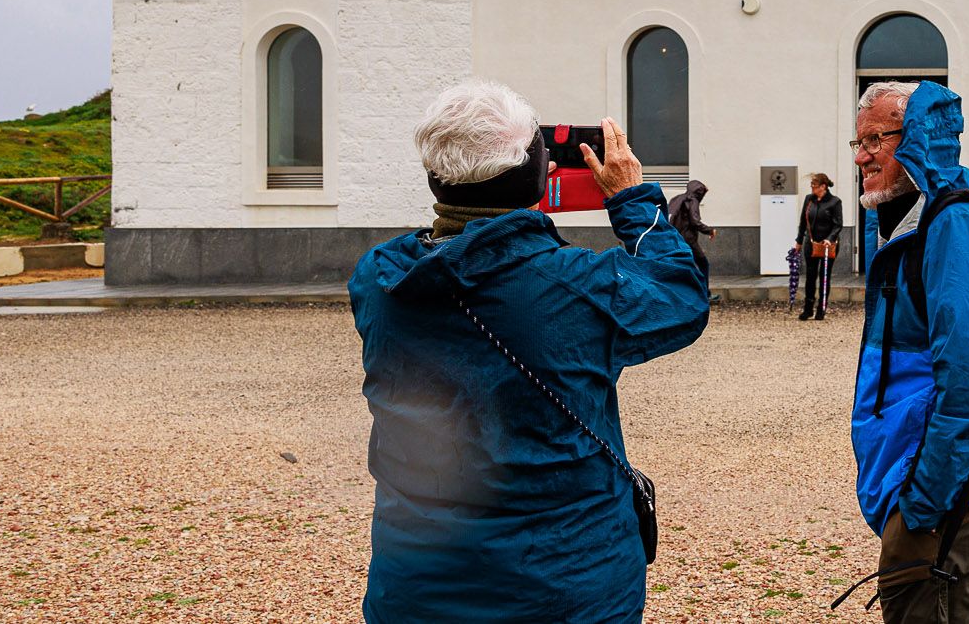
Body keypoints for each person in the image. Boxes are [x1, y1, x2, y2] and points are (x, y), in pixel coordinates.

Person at [350, 80, 709, 624]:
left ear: (434, 176)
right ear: (536, 175)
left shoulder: (378, 279)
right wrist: (632, 200)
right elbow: (681, 298)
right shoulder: (575, 287)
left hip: (417, 577)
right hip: (564, 581)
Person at [848, 80, 969, 623]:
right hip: (946, 491)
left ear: (917, 140)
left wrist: (922, 507)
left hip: (953, 498)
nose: (861, 156)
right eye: (857, 142)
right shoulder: (921, 227)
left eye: (875, 140)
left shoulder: (955, 228)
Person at [795, 171, 844, 320]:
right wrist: (799, 241)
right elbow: (803, 222)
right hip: (811, 243)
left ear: (823, 186)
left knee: (824, 275)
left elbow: (838, 225)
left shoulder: (835, 202)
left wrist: (830, 238)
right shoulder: (809, 200)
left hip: (828, 245)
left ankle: (821, 308)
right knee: (810, 275)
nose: (812, 188)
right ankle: (808, 308)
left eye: (814, 186)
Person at [665, 178, 717, 285]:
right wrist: (710, 231)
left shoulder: (677, 199)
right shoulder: (693, 201)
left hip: (676, 239)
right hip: (689, 240)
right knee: (703, 264)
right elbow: (695, 222)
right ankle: (704, 293)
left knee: (683, 265)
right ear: (699, 192)